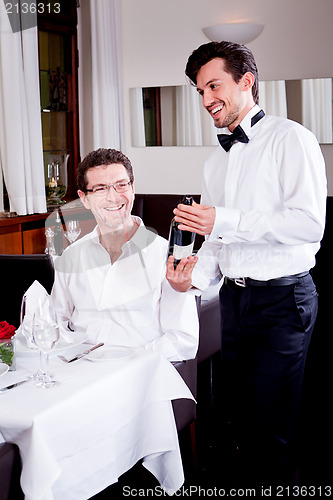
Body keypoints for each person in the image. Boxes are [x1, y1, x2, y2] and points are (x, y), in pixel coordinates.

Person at [166, 41, 327, 485]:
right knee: (237, 418)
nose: (206, 99)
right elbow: (217, 240)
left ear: (247, 82)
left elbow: (309, 225)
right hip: (234, 303)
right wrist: (191, 278)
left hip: (283, 302)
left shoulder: (291, 138)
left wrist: (225, 218)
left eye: (213, 85)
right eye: (200, 91)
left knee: (270, 425)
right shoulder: (214, 160)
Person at [51, 148, 198, 362]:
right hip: (80, 373)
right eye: (100, 188)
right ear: (84, 199)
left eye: (121, 185)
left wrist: (127, 363)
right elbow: (56, 324)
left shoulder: (165, 256)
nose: (113, 197)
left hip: (140, 376)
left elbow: (184, 341)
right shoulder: (71, 256)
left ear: (133, 188)